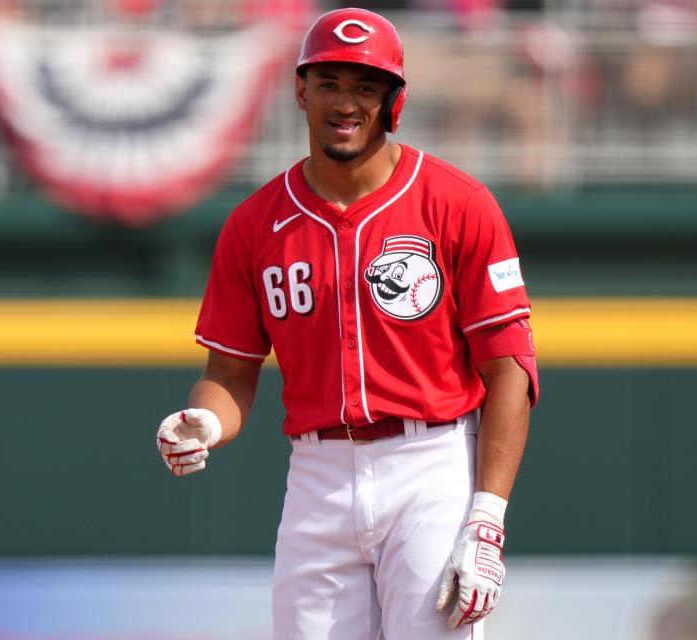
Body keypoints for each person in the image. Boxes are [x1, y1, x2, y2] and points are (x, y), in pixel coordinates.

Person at [155, 7, 538, 639]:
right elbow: (229, 372)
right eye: (330, 82)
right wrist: (207, 422)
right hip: (317, 476)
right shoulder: (254, 224)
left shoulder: (458, 203)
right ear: (301, 89)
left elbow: (510, 372)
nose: (346, 102)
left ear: (394, 101)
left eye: (366, 87)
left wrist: (486, 518)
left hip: (431, 463)